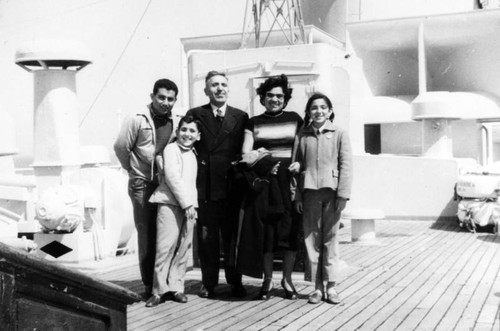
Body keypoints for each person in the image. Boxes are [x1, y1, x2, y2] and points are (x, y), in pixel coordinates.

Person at [239, 74, 303, 300]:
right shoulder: (253, 122)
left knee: (289, 234)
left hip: (289, 185)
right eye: (270, 95)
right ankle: (267, 280)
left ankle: (287, 280)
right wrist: (267, 165)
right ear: (263, 98)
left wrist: (298, 163)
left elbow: (303, 149)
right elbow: (246, 155)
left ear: (285, 99)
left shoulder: (296, 119)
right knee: (266, 235)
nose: (275, 99)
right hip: (265, 186)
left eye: (279, 96)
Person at [185, 70, 249, 298]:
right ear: (206, 90)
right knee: (207, 237)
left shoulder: (240, 117)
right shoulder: (196, 114)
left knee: (232, 237)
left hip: (232, 187)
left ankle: (235, 280)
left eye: (223, 84)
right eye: (214, 85)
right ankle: (209, 282)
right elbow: (184, 143)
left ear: (229, 89)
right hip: (206, 187)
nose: (219, 88)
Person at [114, 79, 178, 296]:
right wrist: (133, 171)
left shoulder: (176, 121)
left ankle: (165, 282)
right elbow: (121, 147)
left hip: (165, 184)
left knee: (167, 233)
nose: (165, 102)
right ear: (152, 97)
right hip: (142, 184)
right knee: (147, 233)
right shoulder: (137, 119)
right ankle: (149, 284)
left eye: (170, 99)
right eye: (161, 97)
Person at [291, 93, 352, 304]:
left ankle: (332, 286)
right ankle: (317, 288)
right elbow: (295, 165)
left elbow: (346, 166)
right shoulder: (302, 134)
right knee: (311, 241)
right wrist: (297, 195)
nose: (319, 111)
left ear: (330, 111)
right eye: (314, 108)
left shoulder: (340, 133)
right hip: (309, 194)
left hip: (332, 194)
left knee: (331, 240)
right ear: (308, 112)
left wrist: (343, 195)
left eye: (323, 107)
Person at [145, 116, 201, 307]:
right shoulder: (171, 149)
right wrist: (186, 204)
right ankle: (158, 291)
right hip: (170, 203)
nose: (187, 134)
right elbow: (172, 176)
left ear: (198, 136)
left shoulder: (193, 153)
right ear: (177, 132)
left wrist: (191, 205)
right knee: (165, 247)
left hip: (190, 206)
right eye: (184, 129)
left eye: (192, 131)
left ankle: (177, 287)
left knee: (184, 247)